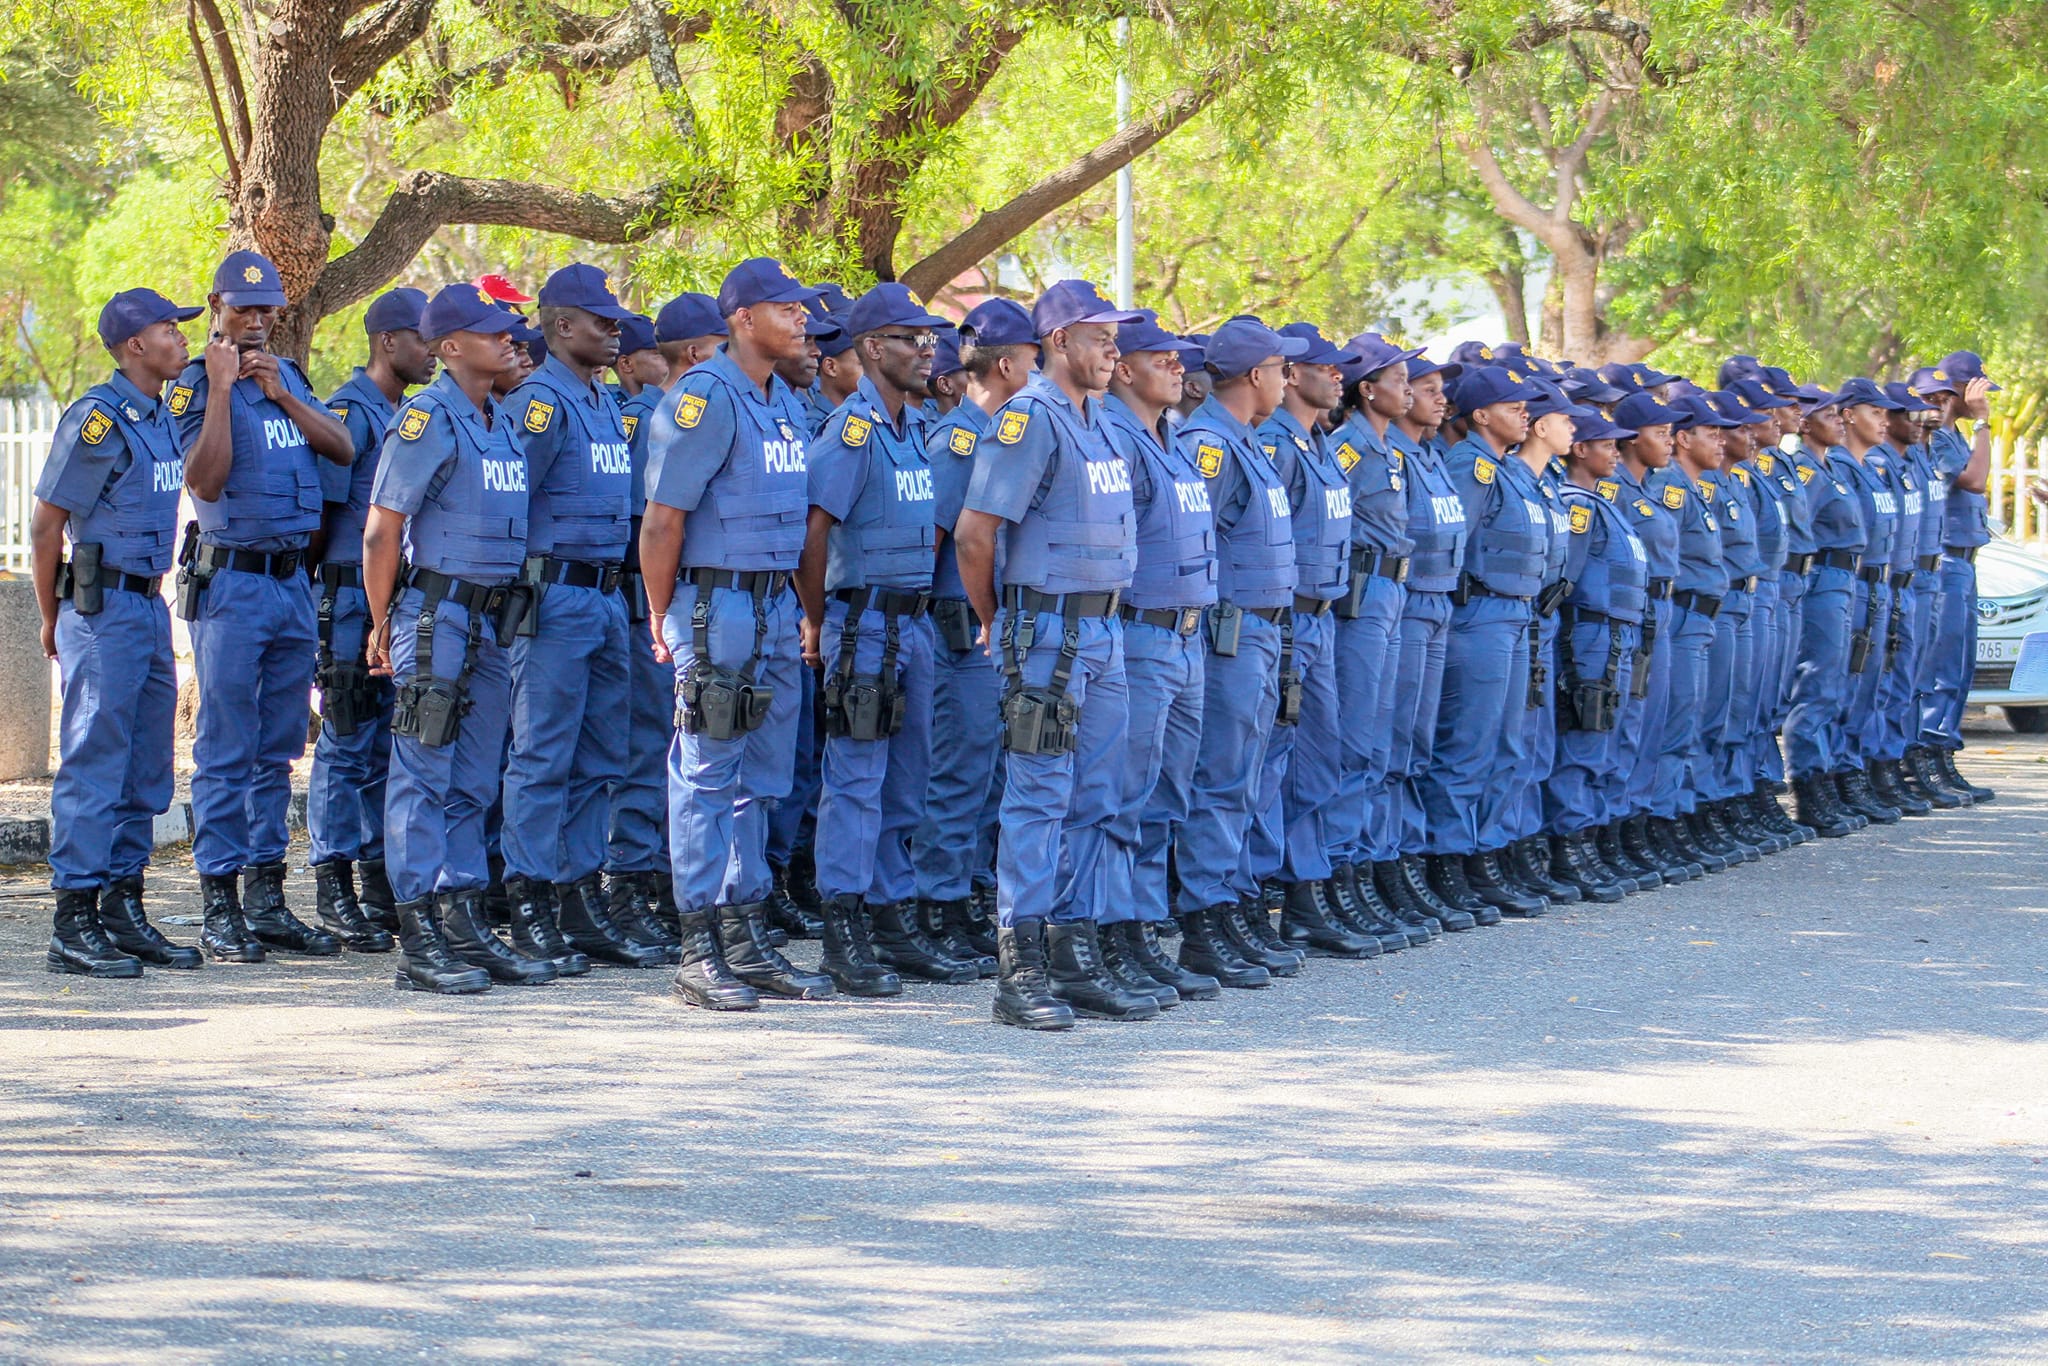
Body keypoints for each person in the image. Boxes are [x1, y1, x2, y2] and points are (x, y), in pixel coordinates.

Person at [953, 279, 1149, 1030]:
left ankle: (1075, 953)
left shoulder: (1101, 419)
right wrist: (997, 620)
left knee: (1097, 798)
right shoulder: (1030, 418)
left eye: (1115, 337)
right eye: (1101, 337)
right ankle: (1022, 967)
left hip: (1104, 632)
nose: (1113, 350)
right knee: (1039, 797)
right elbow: (976, 534)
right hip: (1047, 634)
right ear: (1060, 341)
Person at [642, 258, 833, 1011]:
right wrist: (662, 617)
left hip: (773, 608)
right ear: (744, 320)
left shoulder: (781, 399)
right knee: (706, 775)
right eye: (787, 309)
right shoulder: (705, 395)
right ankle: (697, 948)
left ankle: (746, 934)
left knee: (763, 780)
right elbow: (663, 520)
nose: (803, 321)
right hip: (715, 606)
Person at [173, 250, 353, 962]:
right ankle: (220, 900)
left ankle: (268, 896)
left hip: (290, 586)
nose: (255, 321)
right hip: (233, 586)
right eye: (242, 307)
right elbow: (206, 482)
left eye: (266, 309)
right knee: (226, 746)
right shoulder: (194, 385)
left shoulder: (291, 378)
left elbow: (339, 449)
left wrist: (282, 395)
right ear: (215, 303)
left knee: (279, 748)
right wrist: (221, 389)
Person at [364, 282, 544, 994]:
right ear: (449, 348)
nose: (510, 341)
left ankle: (463, 919)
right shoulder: (426, 417)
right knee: (422, 775)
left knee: (473, 778)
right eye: (493, 332)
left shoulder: (496, 418)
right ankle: (417, 937)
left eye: (510, 332)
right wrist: (381, 624)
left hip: (490, 619)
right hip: (436, 618)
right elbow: (383, 528)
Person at [499, 265, 673, 972]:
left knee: (600, 756)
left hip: (604, 598)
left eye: (615, 321)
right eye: (600, 321)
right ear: (560, 326)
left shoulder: (601, 402)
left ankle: (577, 896)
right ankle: (530, 900)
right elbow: (512, 503)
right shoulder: (539, 402)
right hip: (553, 597)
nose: (615, 330)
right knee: (542, 755)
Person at [33, 289, 205, 977]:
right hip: (100, 609)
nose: (179, 337)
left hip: (147, 606)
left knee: (144, 765)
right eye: (168, 329)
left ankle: (121, 906)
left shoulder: (160, 416)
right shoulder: (98, 418)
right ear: (135, 344)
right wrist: (53, 617)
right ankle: (72, 919)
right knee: (94, 762)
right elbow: (47, 525)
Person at [797, 282, 956, 997]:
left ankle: (892, 914)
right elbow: (813, 528)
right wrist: (815, 618)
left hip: (913, 622)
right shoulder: (852, 430)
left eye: (929, 339)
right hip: (862, 623)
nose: (927, 351)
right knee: (856, 781)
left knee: (906, 779)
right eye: (910, 339)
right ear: (868, 348)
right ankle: (845, 924)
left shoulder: (910, 428)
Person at [1170, 318, 1312, 982]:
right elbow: (1196, 546)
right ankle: (1204, 923)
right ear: (1255, 375)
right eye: (1282, 368)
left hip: (1262, 628)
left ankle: (1230, 908)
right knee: (1222, 779)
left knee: (1247, 779)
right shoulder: (1211, 446)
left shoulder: (1247, 443)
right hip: (1229, 632)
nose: (1289, 380)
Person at [1096, 311, 1228, 999]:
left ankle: (1142, 928)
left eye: (1180, 359)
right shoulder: (1116, 436)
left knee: (1166, 792)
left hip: (1184, 634)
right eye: (1163, 359)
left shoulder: (1170, 438)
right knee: (1125, 792)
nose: (1180, 368)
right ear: (1125, 369)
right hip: (1140, 633)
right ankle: (1110, 932)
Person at [307, 287, 433, 955]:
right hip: (350, 600)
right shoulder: (350, 413)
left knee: (388, 745)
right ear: (388, 342)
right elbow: (325, 520)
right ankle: (333, 883)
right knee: (347, 739)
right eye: (421, 337)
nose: (432, 349)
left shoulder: (408, 413)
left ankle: (378, 878)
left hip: (394, 602)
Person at [913, 298, 1036, 960]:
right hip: (959, 633)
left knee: (990, 777)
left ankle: (970, 896)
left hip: (994, 633)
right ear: (1011, 366)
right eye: (1036, 359)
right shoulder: (959, 442)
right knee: (958, 774)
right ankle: (937, 906)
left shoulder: (1012, 434)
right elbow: (934, 543)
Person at [1257, 323, 1384, 955]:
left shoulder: (1319, 443)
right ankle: (1270, 895)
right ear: (1289, 376)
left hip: (1321, 618)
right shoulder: (1274, 444)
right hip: (1282, 622)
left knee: (1321, 757)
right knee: (1277, 762)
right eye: (1326, 369)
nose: (1339, 377)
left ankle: (1310, 890)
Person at [1413, 366, 1548, 907]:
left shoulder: (1508, 469)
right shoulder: (1471, 466)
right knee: (1467, 745)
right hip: (1479, 615)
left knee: (1505, 745)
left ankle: (1485, 853)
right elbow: (1450, 546)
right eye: (1512, 406)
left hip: (1513, 616)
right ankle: (1449, 862)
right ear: (1480, 416)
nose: (1524, 414)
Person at [1321, 336, 1430, 950]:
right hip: (1360, 596)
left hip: (1393, 593)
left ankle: (1365, 867)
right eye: (1398, 378)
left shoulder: (1389, 449)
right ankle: (1338, 874)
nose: (1409, 389)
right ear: (1369, 389)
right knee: (1354, 739)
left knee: (1385, 737)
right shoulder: (1347, 448)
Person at [1543, 411, 1648, 890]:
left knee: (1607, 738)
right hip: (1590, 636)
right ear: (1579, 449)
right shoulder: (1575, 505)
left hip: (1617, 634)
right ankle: (1570, 845)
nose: (1615, 452)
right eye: (1605, 444)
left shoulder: (1605, 503)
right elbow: (1565, 579)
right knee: (1585, 735)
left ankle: (1595, 839)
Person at [605, 311, 683, 928]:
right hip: (638, 604)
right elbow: (648, 524)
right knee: (643, 743)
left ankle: (655, 872)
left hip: (663, 603)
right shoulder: (642, 417)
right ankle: (631, 881)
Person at [1645, 395, 1737, 872]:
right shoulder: (1670, 488)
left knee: (1695, 722)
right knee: (1673, 723)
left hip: (1701, 617)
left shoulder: (1696, 489)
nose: (1721, 440)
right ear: (1684, 438)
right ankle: (1659, 823)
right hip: (1680, 616)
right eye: (1711, 432)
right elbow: (1664, 558)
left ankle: (1679, 814)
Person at [1916, 354, 1998, 803]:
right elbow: (1974, 481)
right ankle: (1926, 756)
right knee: (1941, 667)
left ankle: (1943, 755)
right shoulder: (1940, 440)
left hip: (1964, 561)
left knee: (1960, 666)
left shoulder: (1952, 435)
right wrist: (1984, 425)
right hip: (1946, 562)